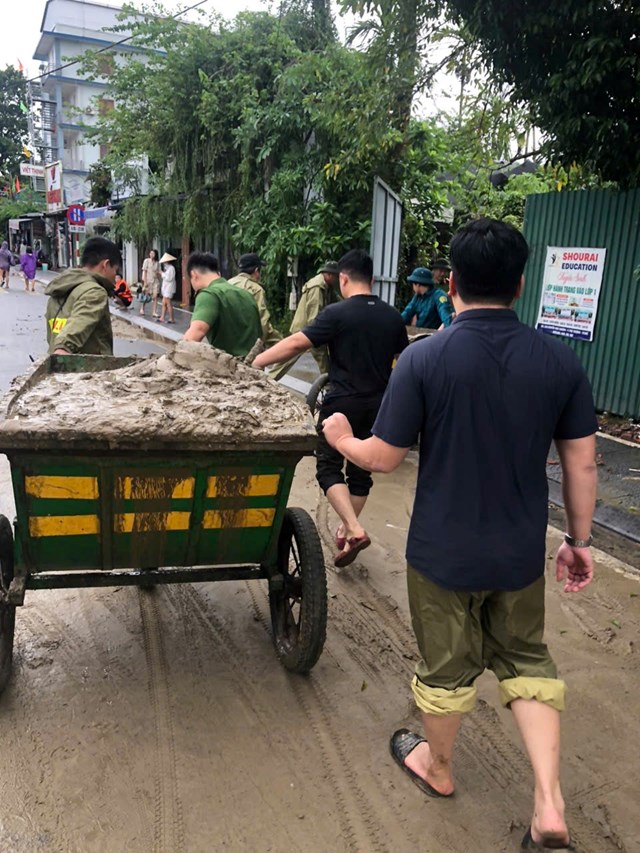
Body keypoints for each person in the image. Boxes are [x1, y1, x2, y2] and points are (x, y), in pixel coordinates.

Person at [322, 218, 598, 852]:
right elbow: (582, 463)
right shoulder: (559, 360)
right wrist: (578, 541)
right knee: (527, 660)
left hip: (443, 554)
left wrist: (340, 438)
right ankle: (548, 803)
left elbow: (383, 457)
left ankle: (438, 768)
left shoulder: (426, 358)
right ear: (521, 284)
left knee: (446, 668)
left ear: (451, 284)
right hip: (518, 553)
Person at [254, 249, 408, 568]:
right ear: (372, 279)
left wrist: (257, 362)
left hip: (342, 405)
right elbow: (402, 362)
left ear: (343, 279)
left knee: (327, 467)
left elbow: (297, 343)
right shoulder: (392, 317)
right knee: (361, 473)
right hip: (378, 406)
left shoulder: (337, 313)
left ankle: (353, 527)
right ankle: (347, 530)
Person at [45, 236, 121, 355]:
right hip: (83, 365)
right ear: (106, 265)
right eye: (116, 271)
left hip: (55, 361)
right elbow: (78, 323)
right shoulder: (95, 292)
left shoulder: (60, 289)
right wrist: (62, 349)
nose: (115, 278)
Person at [268, 261, 340, 381]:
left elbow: (338, 303)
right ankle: (329, 385)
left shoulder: (326, 286)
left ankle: (269, 379)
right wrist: (318, 335)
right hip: (308, 330)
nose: (338, 280)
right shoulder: (317, 287)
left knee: (288, 358)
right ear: (329, 275)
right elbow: (313, 314)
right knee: (322, 359)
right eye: (336, 276)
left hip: (306, 329)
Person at [183, 252, 261, 357]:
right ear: (218, 273)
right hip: (252, 364)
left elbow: (194, 335)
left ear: (194, 275)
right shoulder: (247, 295)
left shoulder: (208, 294)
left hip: (226, 364)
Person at [228, 252, 282, 346]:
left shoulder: (228, 283)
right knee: (285, 346)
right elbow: (262, 321)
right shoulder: (255, 289)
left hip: (228, 335)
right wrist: (261, 343)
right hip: (247, 338)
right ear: (256, 270)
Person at [140, 248, 161, 318]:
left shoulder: (157, 263)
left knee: (155, 296)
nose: (151, 255)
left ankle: (154, 312)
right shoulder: (146, 261)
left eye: (153, 253)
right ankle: (142, 308)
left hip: (155, 281)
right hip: (148, 280)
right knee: (146, 296)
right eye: (151, 253)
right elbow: (144, 271)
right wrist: (145, 282)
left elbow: (159, 272)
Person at [158, 252, 177, 323]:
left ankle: (171, 318)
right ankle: (162, 317)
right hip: (166, 287)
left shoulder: (171, 268)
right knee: (164, 303)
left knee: (168, 303)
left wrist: (162, 274)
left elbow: (169, 278)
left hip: (169, 288)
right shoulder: (167, 268)